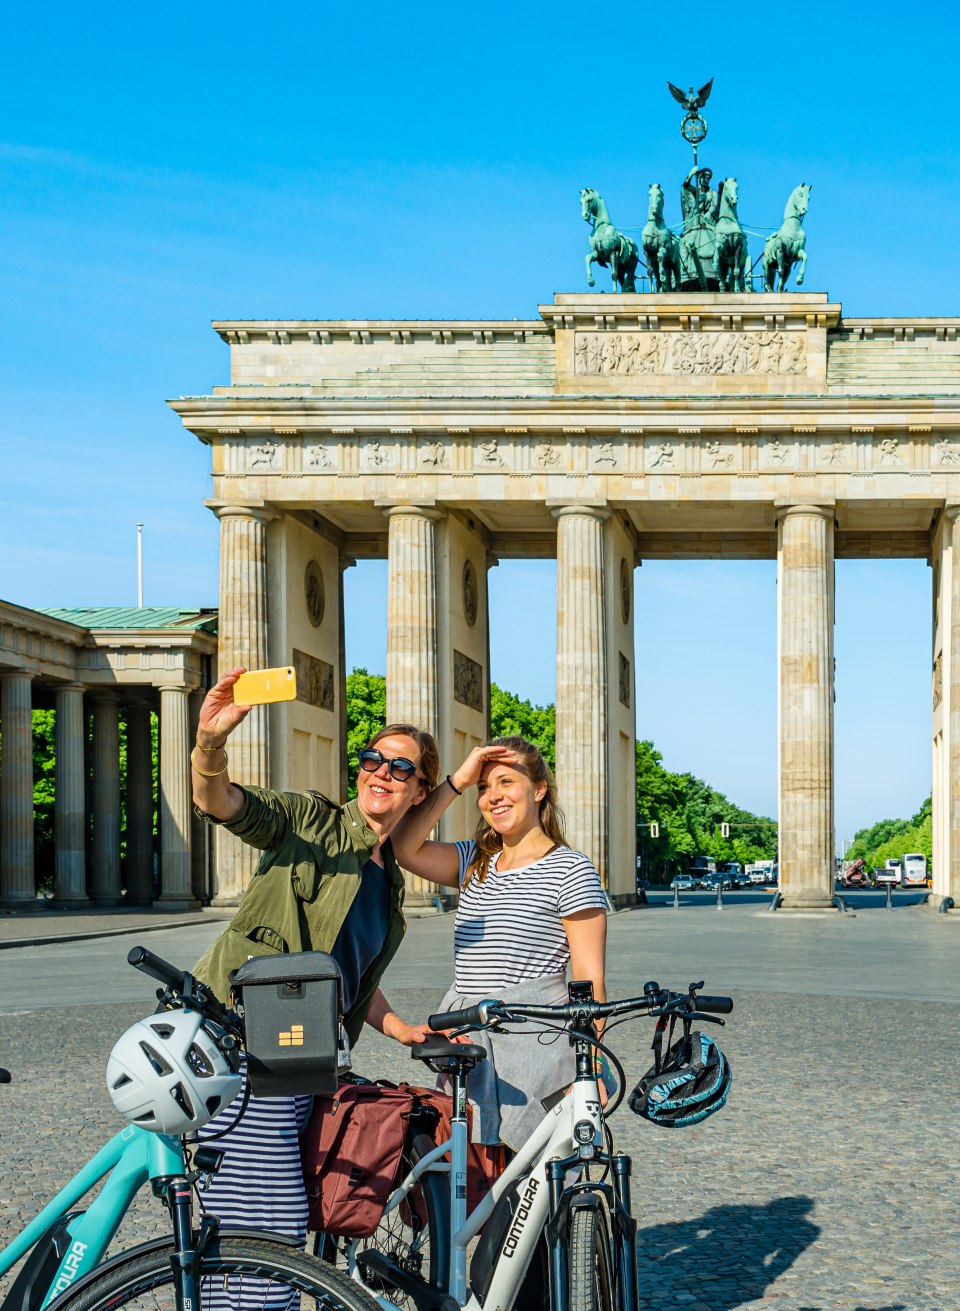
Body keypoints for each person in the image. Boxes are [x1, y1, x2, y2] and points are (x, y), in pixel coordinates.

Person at [188, 666, 437, 1263]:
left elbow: (342, 973)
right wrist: (210, 743)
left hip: (303, 1054)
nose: (382, 773)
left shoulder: (390, 881)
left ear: (421, 791)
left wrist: (400, 1027)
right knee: (266, 1214)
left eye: (401, 768)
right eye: (372, 759)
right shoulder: (309, 821)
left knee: (293, 1203)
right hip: (241, 1037)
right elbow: (218, 800)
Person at [389, 736, 608, 1152]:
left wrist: (590, 1065)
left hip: (537, 1044)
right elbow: (403, 845)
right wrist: (457, 781)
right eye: (484, 788)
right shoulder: (474, 860)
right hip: (468, 1038)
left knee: (535, 1180)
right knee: (473, 1174)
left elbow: (589, 978)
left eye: (506, 782)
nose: (493, 797)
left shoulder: (570, 868)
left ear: (539, 789)